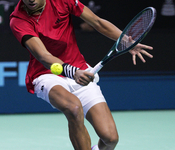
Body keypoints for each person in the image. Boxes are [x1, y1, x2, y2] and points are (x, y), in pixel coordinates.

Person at [9, 0, 153, 150]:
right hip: (47, 74)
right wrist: (72, 72)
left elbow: (97, 22)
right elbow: (44, 56)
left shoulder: (62, 1)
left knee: (110, 138)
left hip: (80, 70)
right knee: (73, 108)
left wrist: (126, 42)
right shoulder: (18, 20)